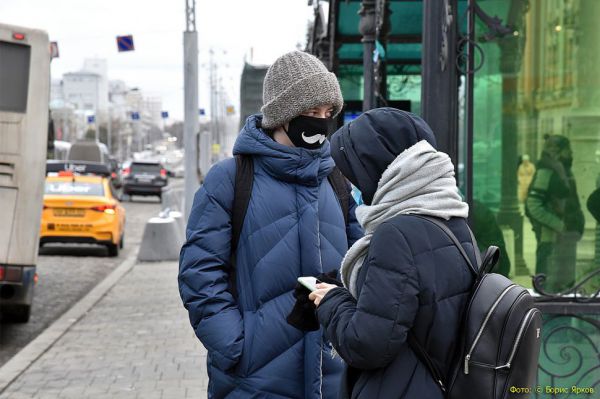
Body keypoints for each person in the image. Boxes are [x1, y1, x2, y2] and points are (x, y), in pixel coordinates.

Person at [178, 50, 363, 399]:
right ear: (283, 114)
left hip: (333, 377)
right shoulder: (230, 179)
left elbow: (362, 263)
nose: (321, 123)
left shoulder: (336, 181)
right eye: (311, 112)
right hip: (253, 381)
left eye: (327, 113)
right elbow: (200, 273)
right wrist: (236, 347)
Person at [308, 107, 475, 399]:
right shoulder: (454, 220)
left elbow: (366, 345)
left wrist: (331, 301)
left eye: (353, 174)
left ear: (374, 169)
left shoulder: (396, 235)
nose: (352, 185)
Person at [525, 134, 584, 292]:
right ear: (558, 151)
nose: (571, 153)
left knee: (563, 287)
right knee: (548, 290)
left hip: (564, 238)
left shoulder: (563, 171)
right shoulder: (547, 172)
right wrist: (559, 225)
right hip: (551, 240)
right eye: (568, 150)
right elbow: (533, 204)